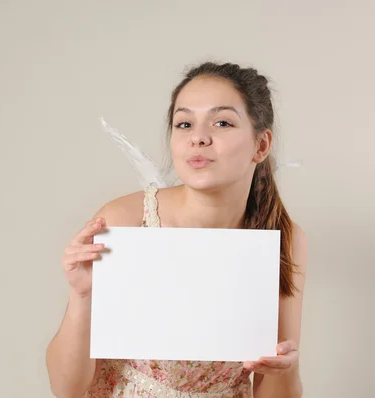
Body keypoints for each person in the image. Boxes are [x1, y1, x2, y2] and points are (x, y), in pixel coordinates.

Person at [46, 61, 308, 398]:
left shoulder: (282, 238)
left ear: (261, 145)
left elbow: (275, 391)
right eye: (184, 123)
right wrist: (81, 296)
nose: (198, 138)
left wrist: (286, 367)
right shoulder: (125, 221)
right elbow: (66, 390)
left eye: (222, 122)